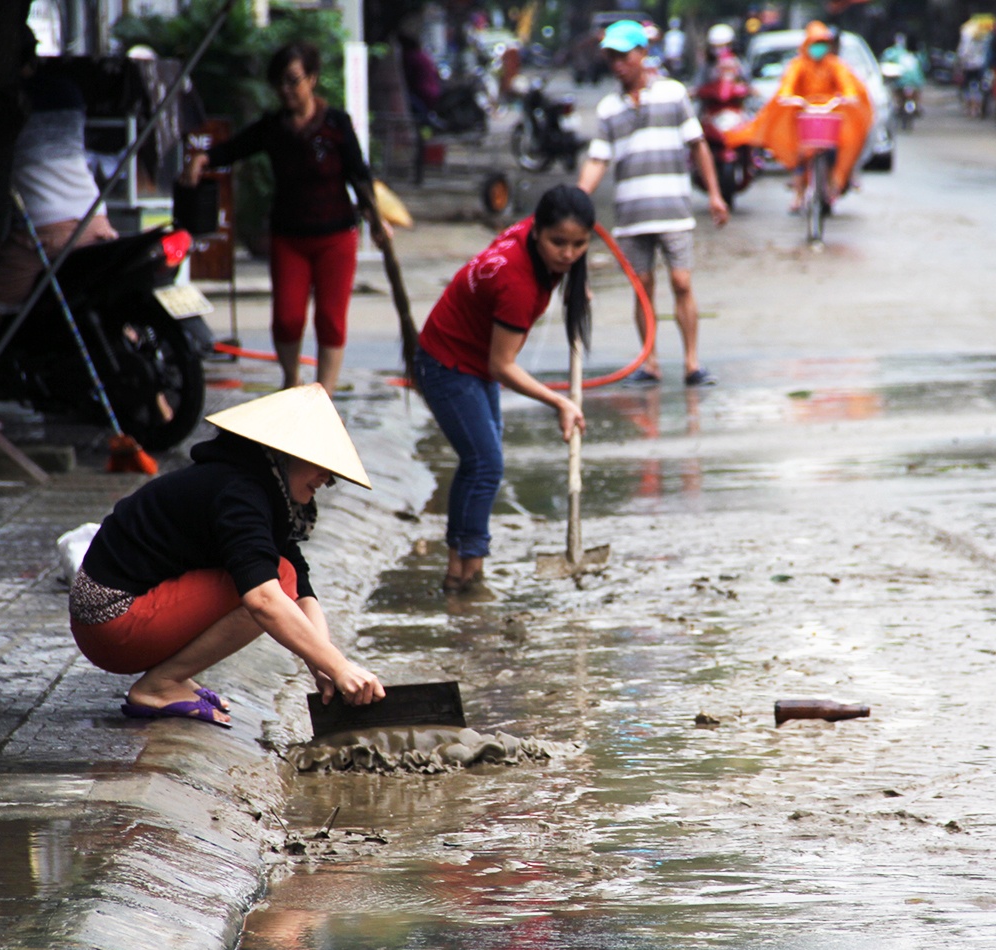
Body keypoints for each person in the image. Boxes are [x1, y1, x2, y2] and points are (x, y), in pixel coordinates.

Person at [68, 384, 386, 728]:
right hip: (108, 621)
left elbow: (303, 592)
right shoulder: (241, 493)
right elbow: (265, 599)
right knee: (273, 581)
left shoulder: (261, 488)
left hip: (125, 612)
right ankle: (159, 686)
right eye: (318, 464)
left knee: (284, 573)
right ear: (284, 452)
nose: (326, 478)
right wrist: (340, 667)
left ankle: (171, 676)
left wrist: (324, 665)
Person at [412, 185, 595, 595]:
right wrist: (558, 401)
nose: (568, 254)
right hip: (447, 362)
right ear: (537, 232)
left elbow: (496, 361)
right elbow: (503, 365)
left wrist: (572, 285)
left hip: (472, 358)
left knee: (480, 462)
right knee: (485, 463)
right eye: (558, 243)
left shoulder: (532, 241)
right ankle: (468, 573)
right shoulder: (517, 282)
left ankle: (458, 573)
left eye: (579, 244)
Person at [180, 42, 389, 397]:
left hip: (336, 237)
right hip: (289, 237)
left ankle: (324, 393)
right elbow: (234, 149)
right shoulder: (273, 127)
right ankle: (291, 381)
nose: (286, 90)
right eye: (280, 83)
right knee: (288, 317)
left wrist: (376, 219)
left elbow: (359, 174)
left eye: (294, 81)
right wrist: (204, 160)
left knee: (330, 319)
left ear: (312, 79)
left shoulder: (337, 124)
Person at [578, 19, 727, 388]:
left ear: (642, 54)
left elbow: (698, 145)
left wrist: (714, 194)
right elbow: (598, 159)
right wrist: (575, 201)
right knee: (642, 288)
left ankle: (692, 363)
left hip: (674, 210)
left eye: (624, 56)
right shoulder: (609, 109)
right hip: (632, 215)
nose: (617, 64)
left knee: (681, 282)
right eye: (612, 57)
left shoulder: (674, 95)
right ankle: (651, 363)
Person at [0, 39, 119, 364]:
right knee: (110, 310)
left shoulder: (3, 102)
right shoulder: (68, 93)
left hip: (44, 229)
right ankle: (160, 406)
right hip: (94, 216)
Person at [724, 21, 872, 213]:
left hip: (829, 115)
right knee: (801, 153)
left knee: (841, 146)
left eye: (822, 43)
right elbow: (788, 85)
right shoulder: (798, 65)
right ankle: (800, 193)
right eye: (815, 42)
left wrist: (849, 96)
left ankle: (835, 182)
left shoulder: (835, 65)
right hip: (804, 115)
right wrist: (787, 97)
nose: (819, 47)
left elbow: (847, 85)